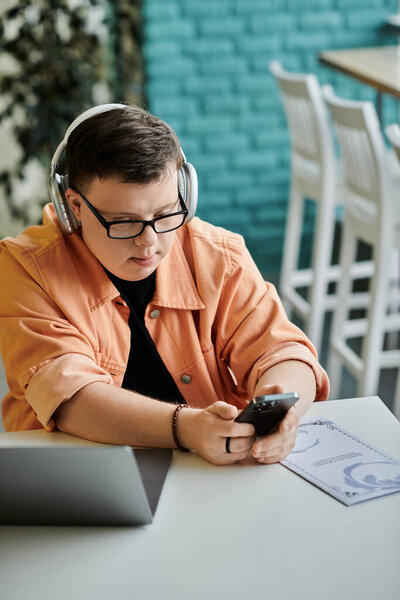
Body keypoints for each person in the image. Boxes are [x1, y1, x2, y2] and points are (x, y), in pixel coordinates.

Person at [0, 103, 329, 466]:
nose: (150, 241)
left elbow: (286, 352)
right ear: (74, 206)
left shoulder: (220, 255)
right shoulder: (24, 269)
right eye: (124, 222)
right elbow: (73, 399)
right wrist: (187, 428)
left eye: (165, 214)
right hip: (78, 472)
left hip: (204, 469)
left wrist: (282, 403)